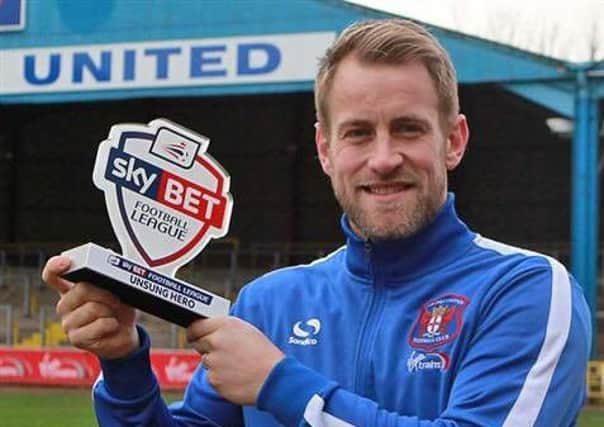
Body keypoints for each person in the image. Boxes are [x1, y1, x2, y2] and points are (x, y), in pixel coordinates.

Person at [42, 19, 591, 427]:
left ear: (453, 141)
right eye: (357, 133)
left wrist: (282, 386)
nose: (382, 158)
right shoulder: (269, 304)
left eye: (407, 129)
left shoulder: (528, 291)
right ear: (326, 149)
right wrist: (124, 365)